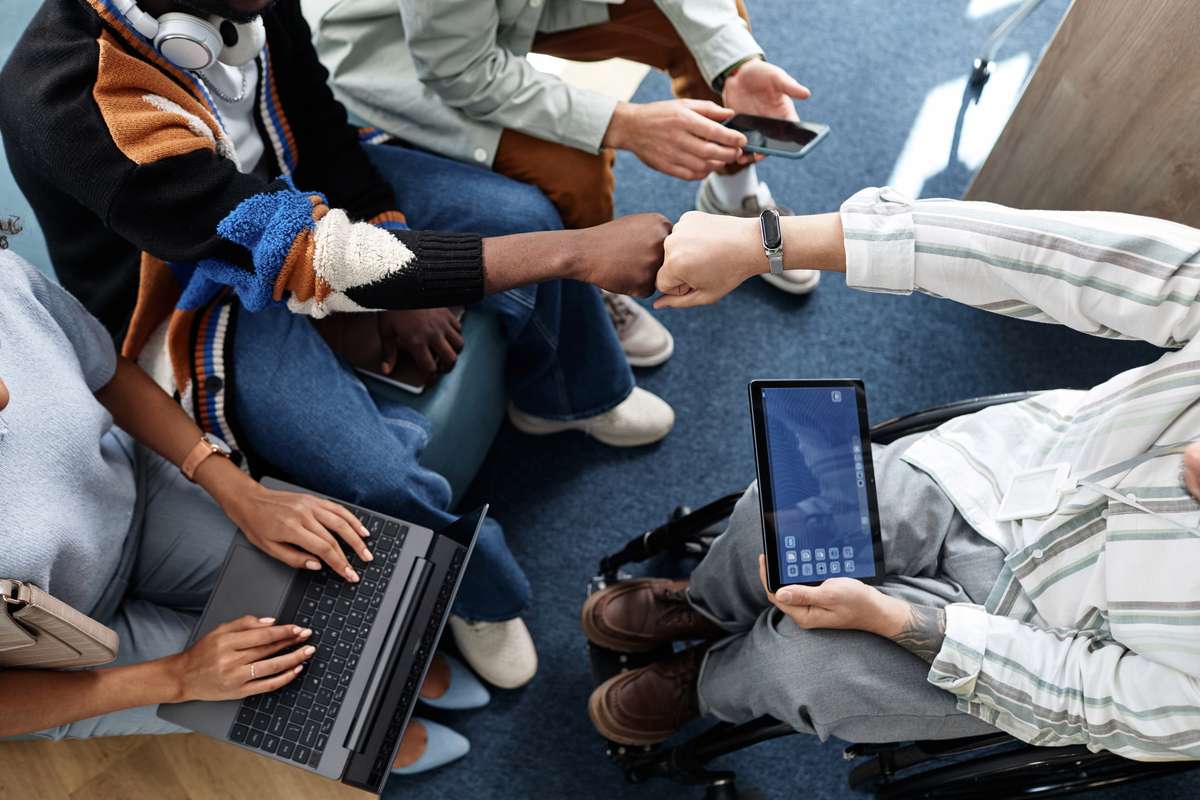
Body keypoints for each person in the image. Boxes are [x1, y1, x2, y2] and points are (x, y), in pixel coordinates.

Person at [0, 0, 675, 705]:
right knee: (378, 477)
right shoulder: (69, 99)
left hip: (301, 196)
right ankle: (477, 595)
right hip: (198, 290)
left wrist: (389, 231)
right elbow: (301, 256)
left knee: (523, 217)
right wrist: (571, 254)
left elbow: (315, 121)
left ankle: (567, 398)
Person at [584, 188, 1200, 760]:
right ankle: (709, 606)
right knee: (769, 522)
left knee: (805, 668)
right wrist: (767, 243)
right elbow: (1040, 253)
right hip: (1018, 466)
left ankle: (711, 680)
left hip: (1037, 634)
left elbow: (1091, 698)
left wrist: (897, 621)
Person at [0, 249, 491, 773]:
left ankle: (403, 672)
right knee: (282, 687)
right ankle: (380, 735)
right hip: (54, 656)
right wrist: (181, 676)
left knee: (337, 580)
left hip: (131, 489)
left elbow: (105, 372)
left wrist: (239, 490)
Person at [313, 0, 821, 296]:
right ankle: (597, 293)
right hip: (403, 46)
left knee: (714, 26)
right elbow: (459, 67)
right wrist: (621, 123)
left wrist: (735, 63)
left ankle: (733, 196)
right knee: (574, 169)